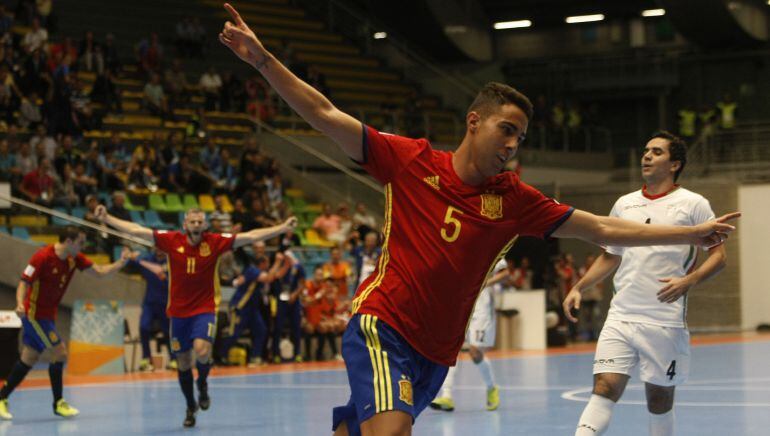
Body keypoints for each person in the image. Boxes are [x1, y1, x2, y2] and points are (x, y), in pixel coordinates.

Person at [218, 6, 738, 434]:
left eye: (521, 138)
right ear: (474, 121)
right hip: (384, 325)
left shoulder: (513, 199)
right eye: (506, 130)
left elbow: (601, 228)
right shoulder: (410, 160)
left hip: (437, 352)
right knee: (392, 431)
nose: (512, 145)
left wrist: (691, 233)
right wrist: (262, 60)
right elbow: (326, 114)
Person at [563, 132, 730, 436]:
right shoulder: (624, 205)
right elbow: (610, 256)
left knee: (659, 398)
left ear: (675, 163)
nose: (647, 156)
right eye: (645, 151)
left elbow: (719, 257)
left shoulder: (693, 204)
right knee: (604, 387)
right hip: (621, 315)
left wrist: (688, 281)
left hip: (664, 319)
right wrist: (579, 286)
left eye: (656, 152)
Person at [95, 205, 297, 428]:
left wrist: (281, 228)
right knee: (182, 362)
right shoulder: (171, 241)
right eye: (192, 222)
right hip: (179, 313)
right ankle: (190, 405)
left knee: (201, 349)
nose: (196, 225)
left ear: (205, 224)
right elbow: (136, 230)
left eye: (200, 221)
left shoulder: (215, 243)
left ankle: (202, 382)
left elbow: (250, 236)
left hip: (204, 309)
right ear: (185, 225)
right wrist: (108, 218)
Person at [0, 226, 131, 421]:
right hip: (34, 315)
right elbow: (24, 281)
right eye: (80, 242)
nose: (83, 246)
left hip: (48, 316)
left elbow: (100, 272)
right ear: (68, 242)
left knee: (29, 358)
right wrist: (19, 303)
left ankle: (1, 398)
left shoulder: (73, 259)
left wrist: (121, 262)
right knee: (60, 352)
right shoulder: (42, 257)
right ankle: (59, 403)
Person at [430, 258, 511, 412]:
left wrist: (484, 284)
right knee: (450, 350)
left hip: (481, 309)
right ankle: (447, 396)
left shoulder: (492, 245)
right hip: (460, 306)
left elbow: (505, 274)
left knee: (475, 353)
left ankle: (491, 388)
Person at [221, 250, 288, 366]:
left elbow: (275, 276)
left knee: (261, 330)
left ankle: (255, 357)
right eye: (267, 264)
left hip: (252, 309)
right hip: (240, 307)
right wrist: (277, 262)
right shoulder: (252, 271)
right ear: (261, 264)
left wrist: (286, 264)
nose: (268, 266)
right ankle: (221, 356)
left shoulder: (259, 272)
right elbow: (268, 278)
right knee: (234, 333)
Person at [128, 248, 177, 371]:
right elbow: (130, 264)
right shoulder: (147, 259)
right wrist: (129, 255)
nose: (159, 249)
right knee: (144, 327)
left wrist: (164, 277)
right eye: (157, 245)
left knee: (168, 333)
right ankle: (146, 359)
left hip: (165, 304)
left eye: (162, 246)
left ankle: (174, 359)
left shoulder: (172, 261)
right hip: (149, 303)